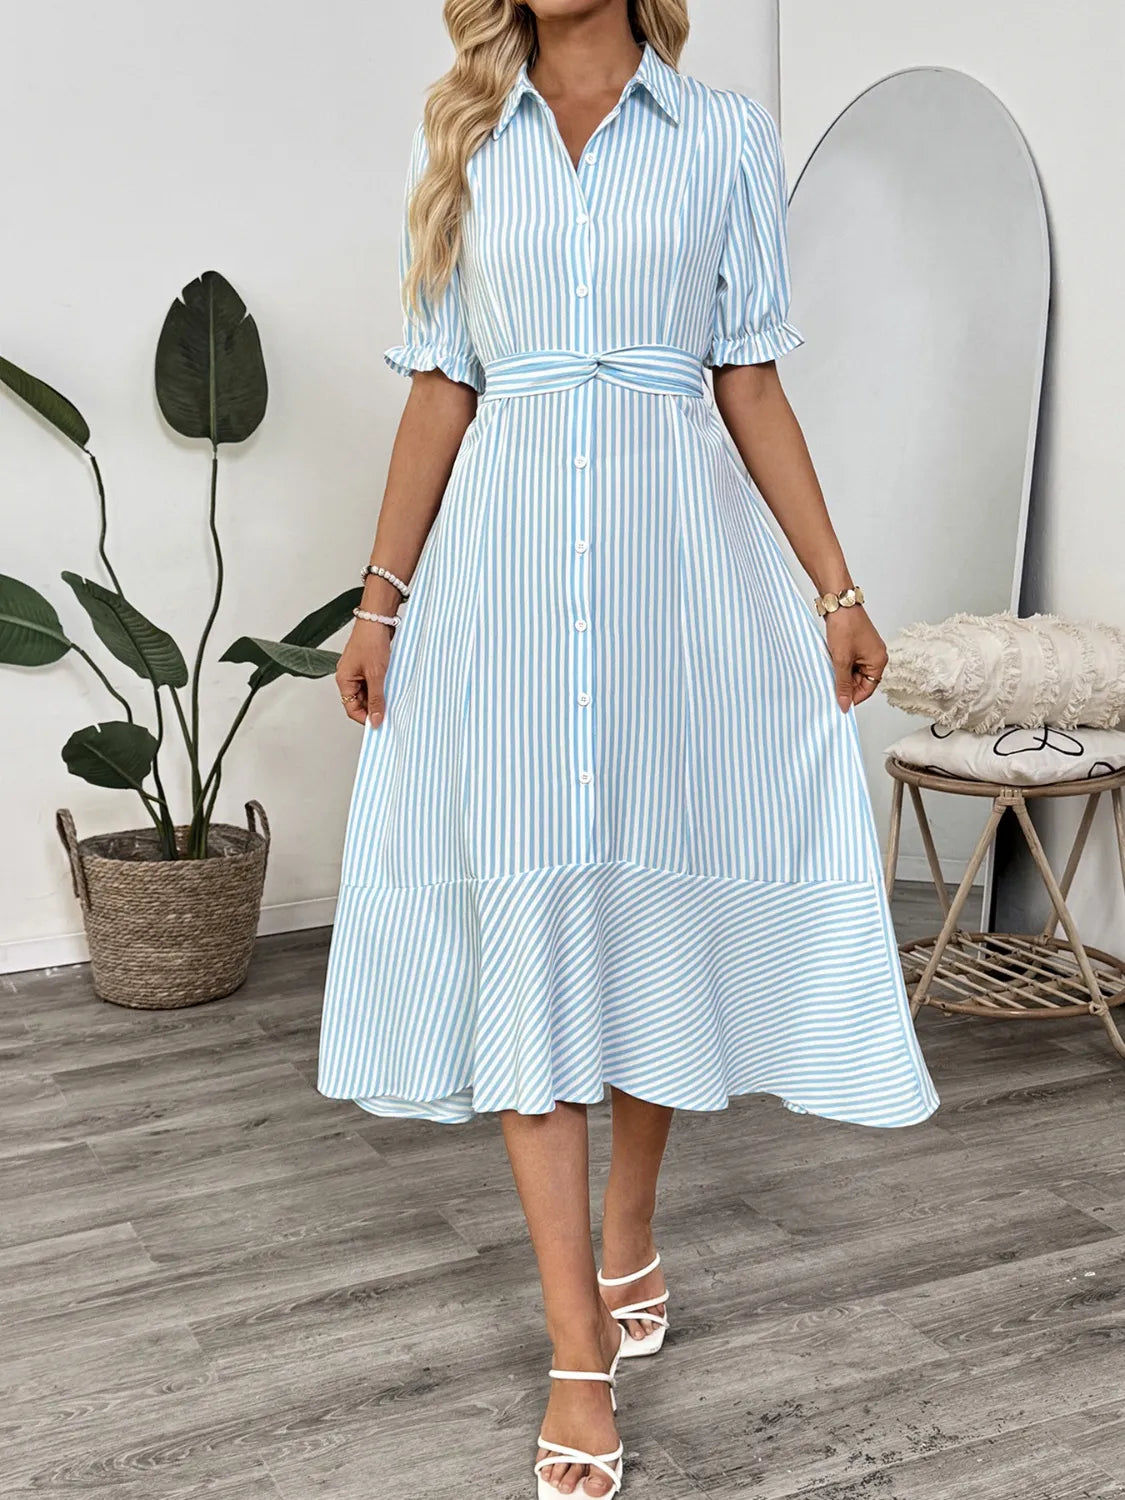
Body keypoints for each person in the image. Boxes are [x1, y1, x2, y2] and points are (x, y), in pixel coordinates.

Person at [317, 1, 940, 1494]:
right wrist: (379, 601)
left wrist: (836, 588)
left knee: (648, 913)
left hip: (681, 588)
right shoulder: (466, 136)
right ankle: (573, 1347)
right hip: (505, 595)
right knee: (533, 924)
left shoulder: (721, 137)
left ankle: (630, 1228)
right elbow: (441, 384)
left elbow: (748, 378)